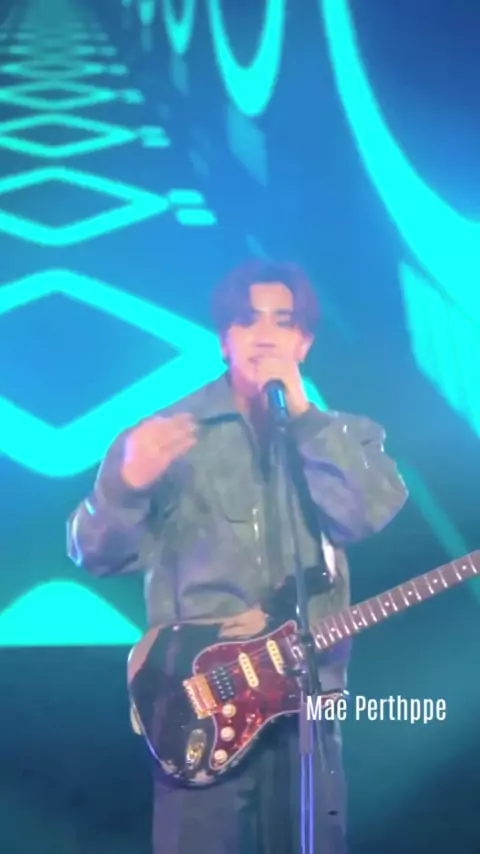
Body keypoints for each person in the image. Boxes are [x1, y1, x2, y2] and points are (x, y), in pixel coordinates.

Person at [67, 260, 408, 854]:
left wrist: (305, 421)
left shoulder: (344, 437)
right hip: (201, 703)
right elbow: (92, 553)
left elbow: (364, 516)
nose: (266, 336)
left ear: (304, 343)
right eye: (249, 321)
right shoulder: (169, 435)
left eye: (284, 321)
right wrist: (122, 486)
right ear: (225, 338)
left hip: (305, 704)